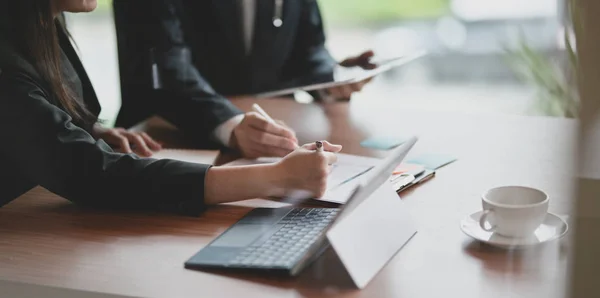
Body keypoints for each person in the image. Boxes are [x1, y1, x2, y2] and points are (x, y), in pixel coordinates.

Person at [0, 0, 342, 215]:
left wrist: (86, 131)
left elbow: (29, 120)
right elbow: (89, 174)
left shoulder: (40, 20)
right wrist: (274, 177)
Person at [112, 0, 376, 146]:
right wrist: (233, 126)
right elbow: (166, 67)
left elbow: (308, 49)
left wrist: (332, 78)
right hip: (165, 139)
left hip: (273, 140)